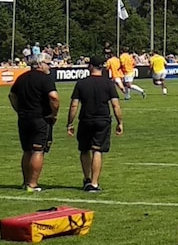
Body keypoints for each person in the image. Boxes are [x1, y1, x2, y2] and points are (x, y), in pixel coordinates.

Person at [64, 58, 123, 193]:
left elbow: (74, 105)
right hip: (102, 120)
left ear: (90, 66)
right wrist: (120, 122)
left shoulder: (81, 83)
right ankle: (94, 183)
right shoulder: (108, 83)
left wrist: (70, 123)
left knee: (84, 150)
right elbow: (115, 104)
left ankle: (86, 179)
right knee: (97, 150)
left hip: (85, 119)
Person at [9, 60, 60, 192]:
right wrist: (54, 114)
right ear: (40, 64)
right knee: (38, 150)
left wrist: (18, 110)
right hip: (40, 118)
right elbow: (54, 97)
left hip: (24, 117)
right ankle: (33, 184)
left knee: (27, 150)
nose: (49, 66)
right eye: (47, 63)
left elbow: (12, 95)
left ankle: (26, 182)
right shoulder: (45, 79)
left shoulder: (22, 77)